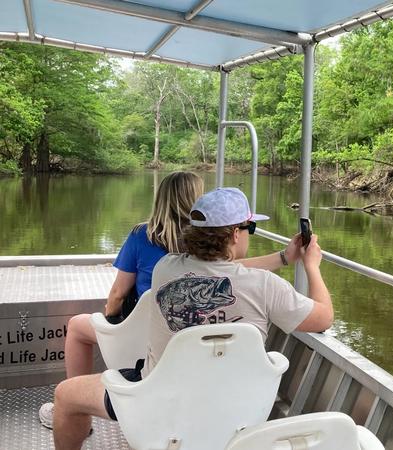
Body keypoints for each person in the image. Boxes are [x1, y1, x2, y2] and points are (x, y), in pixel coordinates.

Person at [50, 187, 333, 450]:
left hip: (158, 411)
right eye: (251, 228)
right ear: (236, 234)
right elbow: (324, 318)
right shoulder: (266, 286)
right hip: (237, 415)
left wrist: (284, 256)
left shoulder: (165, 268)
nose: (249, 234)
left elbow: (217, 268)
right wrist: (311, 265)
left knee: (65, 395)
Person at [39, 171, 204, 428]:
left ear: (161, 198)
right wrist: (282, 258)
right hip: (188, 343)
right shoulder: (208, 243)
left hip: (140, 341)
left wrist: (110, 321)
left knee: (76, 327)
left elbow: (118, 294)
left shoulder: (142, 235)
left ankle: (76, 414)